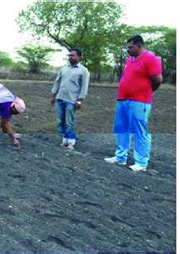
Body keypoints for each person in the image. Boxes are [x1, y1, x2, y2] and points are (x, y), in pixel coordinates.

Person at [104, 35, 163, 171]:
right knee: (121, 129)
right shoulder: (130, 59)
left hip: (140, 101)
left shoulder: (151, 58)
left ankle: (141, 162)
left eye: (130, 47)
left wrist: (147, 91)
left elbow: (157, 80)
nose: (128, 50)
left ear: (139, 46)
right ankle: (120, 157)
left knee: (139, 131)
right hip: (123, 99)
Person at [50, 48, 90, 149]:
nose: (70, 57)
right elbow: (57, 82)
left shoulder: (83, 71)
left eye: (73, 55)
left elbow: (84, 86)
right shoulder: (64, 68)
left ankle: (71, 142)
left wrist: (80, 100)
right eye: (69, 55)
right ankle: (65, 140)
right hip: (60, 98)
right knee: (61, 121)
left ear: (79, 57)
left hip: (72, 100)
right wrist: (53, 95)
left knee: (69, 122)